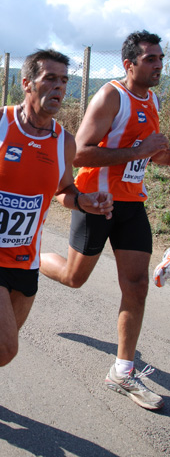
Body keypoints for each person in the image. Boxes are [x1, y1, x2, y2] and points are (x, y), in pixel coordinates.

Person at [0, 49, 113, 418]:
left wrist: (86, 202)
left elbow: (64, 190)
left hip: (25, 254)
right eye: (50, 78)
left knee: (1, 343)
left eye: (64, 80)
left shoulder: (65, 142)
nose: (59, 86)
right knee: (3, 349)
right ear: (27, 83)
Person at [40, 30, 170, 411]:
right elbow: (79, 153)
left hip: (131, 204)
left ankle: (123, 370)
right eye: (150, 59)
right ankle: (33, 260)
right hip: (96, 202)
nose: (158, 64)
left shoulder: (154, 99)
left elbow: (147, 155)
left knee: (137, 283)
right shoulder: (112, 96)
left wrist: (156, 153)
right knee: (74, 279)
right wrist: (138, 149)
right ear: (129, 64)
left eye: (161, 58)